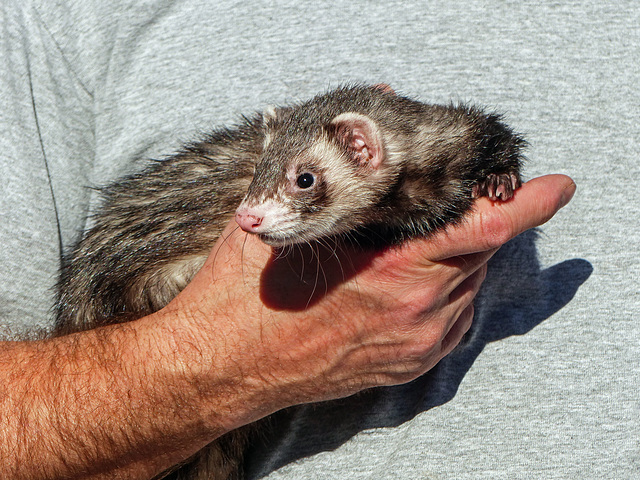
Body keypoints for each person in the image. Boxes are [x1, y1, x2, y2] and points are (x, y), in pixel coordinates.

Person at [1, 1, 637, 479]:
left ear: (363, 146)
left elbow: (484, 141)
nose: (256, 212)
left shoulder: (445, 147)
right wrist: (223, 362)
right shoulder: (67, 21)